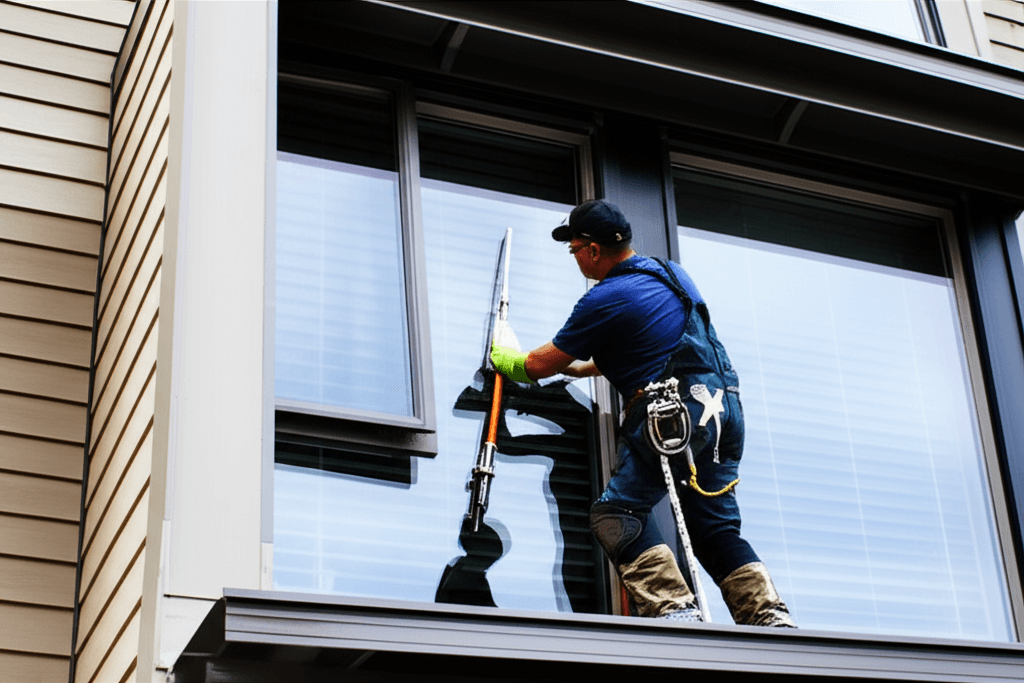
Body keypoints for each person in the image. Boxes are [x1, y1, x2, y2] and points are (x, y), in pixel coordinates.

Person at [490, 199, 794, 626]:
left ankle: (674, 610)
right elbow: (657, 341)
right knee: (715, 529)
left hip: (673, 417)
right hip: (721, 414)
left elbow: (539, 365)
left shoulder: (606, 296)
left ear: (593, 250)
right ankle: (769, 617)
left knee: (616, 514)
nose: (574, 257)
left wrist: (506, 357)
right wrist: (584, 368)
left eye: (574, 249)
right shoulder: (671, 274)